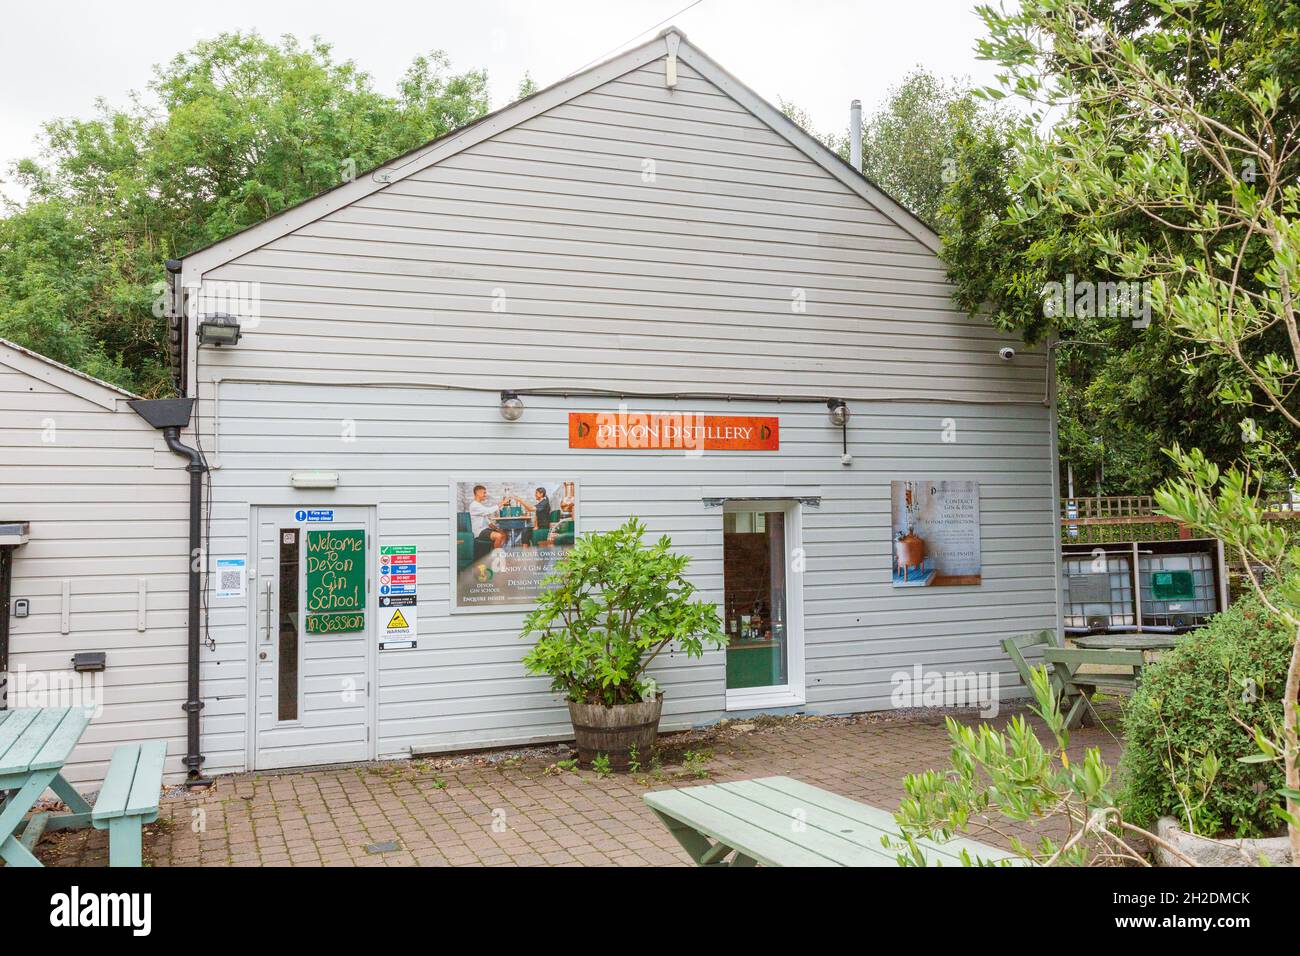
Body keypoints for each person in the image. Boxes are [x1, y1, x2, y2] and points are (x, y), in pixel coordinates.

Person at [468, 484, 505, 549]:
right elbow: (489, 511)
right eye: (484, 493)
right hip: (478, 532)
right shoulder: (474, 505)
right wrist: (503, 502)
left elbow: (488, 521)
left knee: (503, 534)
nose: (485, 495)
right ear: (477, 493)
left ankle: (495, 551)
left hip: (484, 530)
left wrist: (497, 529)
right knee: (498, 536)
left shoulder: (479, 505)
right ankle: (497, 556)